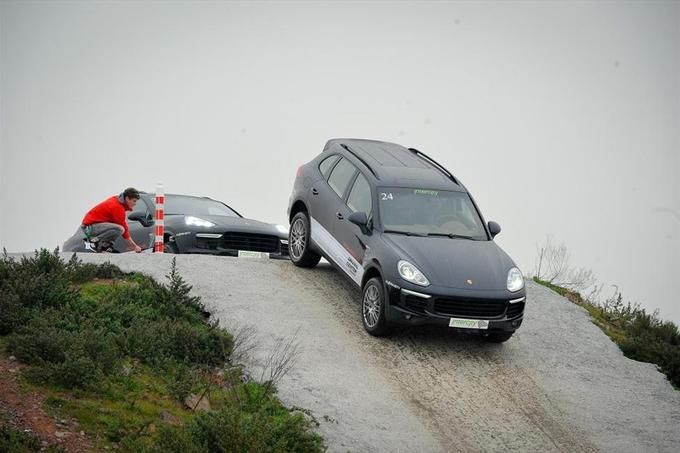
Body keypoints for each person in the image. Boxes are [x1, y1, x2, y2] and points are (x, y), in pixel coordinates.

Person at [76, 188, 143, 253]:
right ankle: (94, 241)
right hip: (90, 227)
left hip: (93, 225)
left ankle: (105, 246)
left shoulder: (117, 200)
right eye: (134, 201)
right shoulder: (117, 207)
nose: (135, 203)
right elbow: (124, 230)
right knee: (120, 229)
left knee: (118, 228)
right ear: (127, 198)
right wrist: (134, 246)